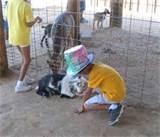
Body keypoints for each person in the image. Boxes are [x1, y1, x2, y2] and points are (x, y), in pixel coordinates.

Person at [64, 45, 126, 125]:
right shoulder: (98, 67)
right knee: (94, 90)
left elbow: (88, 93)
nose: (81, 74)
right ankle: (113, 103)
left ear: (84, 68)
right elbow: (94, 87)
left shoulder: (94, 74)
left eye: (80, 72)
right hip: (119, 91)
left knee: (87, 105)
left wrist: (82, 107)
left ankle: (113, 107)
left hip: (114, 95)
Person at [7, 0, 42, 93]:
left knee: (24, 58)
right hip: (22, 36)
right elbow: (28, 23)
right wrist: (36, 19)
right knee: (27, 60)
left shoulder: (10, 1)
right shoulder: (26, 6)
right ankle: (19, 85)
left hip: (13, 35)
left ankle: (24, 78)